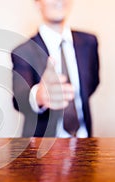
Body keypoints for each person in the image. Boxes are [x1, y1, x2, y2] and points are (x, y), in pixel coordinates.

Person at [11, 0, 99, 137]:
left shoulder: (89, 42)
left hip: (84, 140)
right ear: (37, 3)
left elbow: (93, 83)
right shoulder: (23, 51)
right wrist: (38, 96)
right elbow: (19, 99)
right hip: (44, 146)